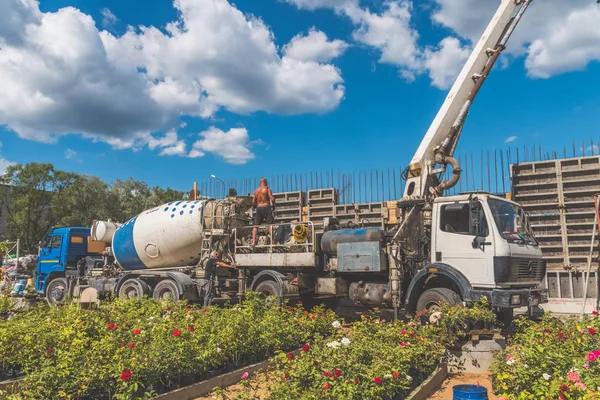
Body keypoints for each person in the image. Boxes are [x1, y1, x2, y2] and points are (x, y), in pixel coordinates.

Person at [251, 177, 276, 247]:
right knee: (270, 225)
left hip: (259, 208)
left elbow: (253, 202)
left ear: (260, 182)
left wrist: (254, 206)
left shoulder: (256, 191)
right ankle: (273, 241)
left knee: (256, 226)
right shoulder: (267, 189)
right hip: (266, 207)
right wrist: (274, 205)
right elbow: (272, 198)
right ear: (265, 182)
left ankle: (253, 241)